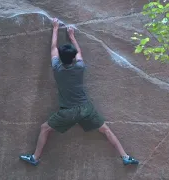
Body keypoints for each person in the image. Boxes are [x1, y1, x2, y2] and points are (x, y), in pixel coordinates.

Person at [19, 18, 139, 166]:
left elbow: (53, 48)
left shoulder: (57, 68)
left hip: (68, 111)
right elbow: (79, 53)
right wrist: (72, 36)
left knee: (45, 128)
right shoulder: (80, 67)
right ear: (73, 58)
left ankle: (35, 158)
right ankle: (125, 156)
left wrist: (55, 28)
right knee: (106, 130)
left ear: (61, 58)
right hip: (85, 109)